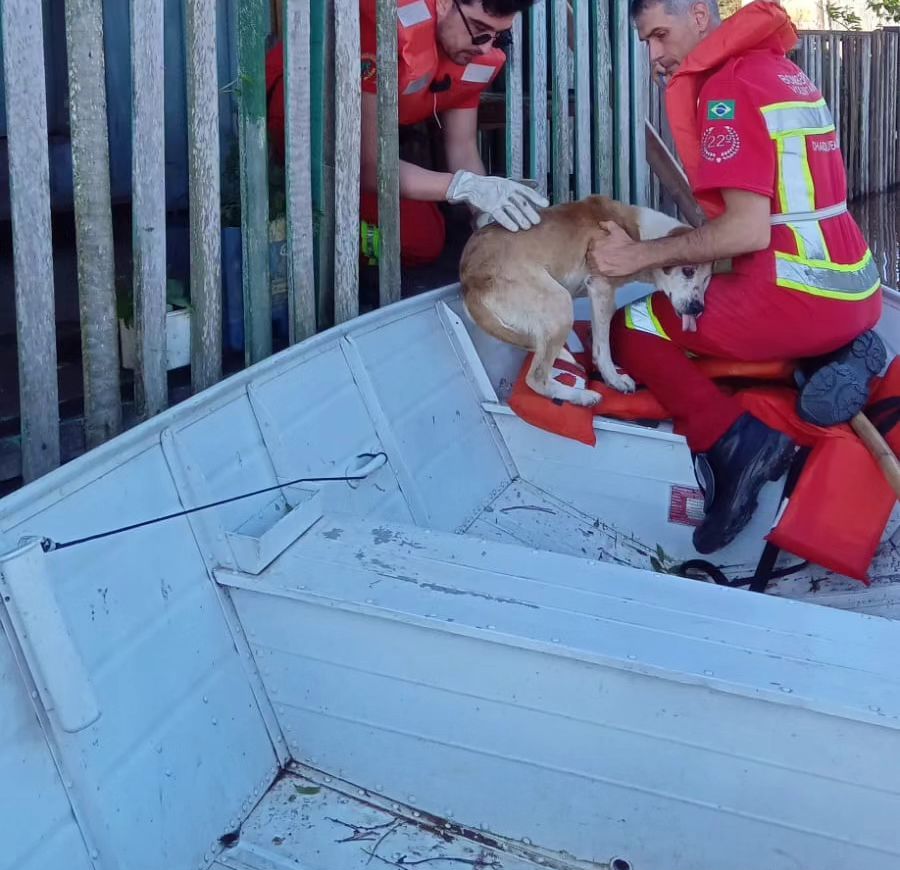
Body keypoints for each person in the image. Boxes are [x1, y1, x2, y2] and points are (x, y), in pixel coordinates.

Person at [586, 0, 883, 555]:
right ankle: (836, 353)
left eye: (658, 35)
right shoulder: (782, 70)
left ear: (699, 15)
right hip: (856, 287)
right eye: (646, 43)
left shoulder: (727, 90)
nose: (654, 56)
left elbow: (747, 232)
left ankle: (735, 442)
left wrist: (639, 256)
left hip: (799, 294)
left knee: (633, 328)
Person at [265, 0, 548, 269]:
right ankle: (302, 238)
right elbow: (368, 166)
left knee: (426, 235)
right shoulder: (382, 28)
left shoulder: (467, 55)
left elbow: (462, 146)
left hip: (371, 145)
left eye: (499, 36)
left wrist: (485, 212)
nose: (486, 49)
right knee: (418, 241)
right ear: (444, 3)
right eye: (479, 30)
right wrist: (464, 186)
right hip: (309, 129)